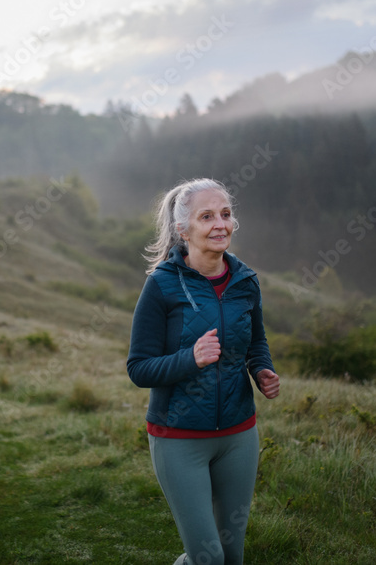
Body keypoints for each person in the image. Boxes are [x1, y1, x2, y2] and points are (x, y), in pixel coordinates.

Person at [127, 178, 280, 565]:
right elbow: (139, 368)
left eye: (226, 215)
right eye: (207, 216)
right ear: (184, 230)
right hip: (178, 439)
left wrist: (262, 370)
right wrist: (189, 359)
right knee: (207, 558)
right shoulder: (161, 286)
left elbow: (256, 342)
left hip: (238, 435)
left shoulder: (246, 282)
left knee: (232, 555)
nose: (220, 225)